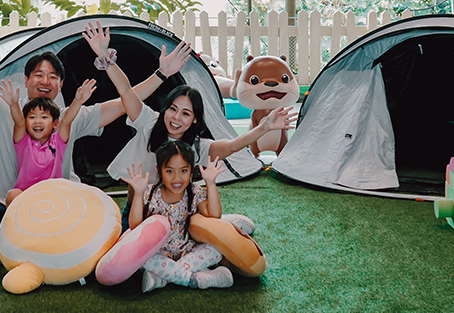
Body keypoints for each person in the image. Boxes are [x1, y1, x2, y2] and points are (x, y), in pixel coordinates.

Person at [0, 8, 192, 268]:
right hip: (11, 206)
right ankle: (29, 248)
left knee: (101, 215)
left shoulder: (69, 116)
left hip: (64, 206)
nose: (45, 81)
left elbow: (123, 103)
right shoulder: (2, 108)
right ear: (26, 81)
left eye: (53, 76)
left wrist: (161, 74)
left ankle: (11, 251)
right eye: (38, 75)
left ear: (61, 85)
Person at [82, 20, 295, 230]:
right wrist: (105, 57)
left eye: (185, 113)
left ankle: (219, 223)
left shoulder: (195, 146)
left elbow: (231, 146)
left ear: (194, 119)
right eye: (172, 109)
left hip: (177, 213)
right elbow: (126, 92)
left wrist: (264, 127)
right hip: (139, 209)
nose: (176, 118)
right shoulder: (149, 122)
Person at [125, 141, 233, 292]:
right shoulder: (151, 193)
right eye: (169, 171)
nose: (177, 178)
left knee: (215, 249)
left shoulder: (194, 191)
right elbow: (135, 227)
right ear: (159, 171)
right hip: (158, 254)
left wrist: (210, 183)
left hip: (188, 251)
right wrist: (137, 194)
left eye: (183, 171)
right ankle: (193, 279)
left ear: (191, 170)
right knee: (139, 256)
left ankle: (161, 278)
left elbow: (214, 215)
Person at [0, 78, 96, 205]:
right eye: (32, 117)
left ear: (55, 123)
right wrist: (14, 105)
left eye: (44, 117)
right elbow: (19, 121)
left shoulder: (58, 142)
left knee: (76, 194)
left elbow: (66, 120)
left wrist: (78, 101)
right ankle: (17, 224)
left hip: (53, 195)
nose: (38, 121)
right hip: (27, 197)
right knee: (12, 194)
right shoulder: (22, 142)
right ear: (26, 122)